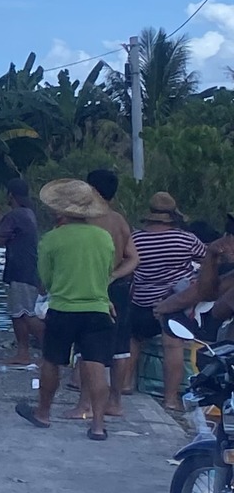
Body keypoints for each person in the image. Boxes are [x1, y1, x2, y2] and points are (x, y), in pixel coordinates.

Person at [17, 180, 118, 440]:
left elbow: (46, 280)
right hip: (97, 308)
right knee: (96, 366)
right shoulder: (104, 237)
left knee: (52, 361)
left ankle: (43, 413)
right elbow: (106, 273)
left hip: (63, 308)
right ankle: (97, 425)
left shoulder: (52, 238)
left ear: (61, 210)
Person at [130, 191, 207, 413]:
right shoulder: (186, 238)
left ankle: (126, 386)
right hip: (173, 302)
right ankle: (170, 399)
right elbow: (206, 259)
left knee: (134, 340)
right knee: (172, 346)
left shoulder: (136, 238)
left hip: (141, 300)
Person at [83, 168, 143, 400]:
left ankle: (86, 402)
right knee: (119, 347)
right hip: (118, 287)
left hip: (94, 285)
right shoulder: (119, 219)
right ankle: (115, 401)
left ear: (91, 190)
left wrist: (107, 277)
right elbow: (134, 258)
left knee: (89, 345)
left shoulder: (89, 219)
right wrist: (116, 275)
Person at [0, 178, 44, 367]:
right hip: (28, 269)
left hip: (20, 270)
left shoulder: (15, 215)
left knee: (23, 314)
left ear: (11, 195)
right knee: (21, 312)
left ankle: (49, 350)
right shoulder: (28, 213)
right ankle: (24, 353)